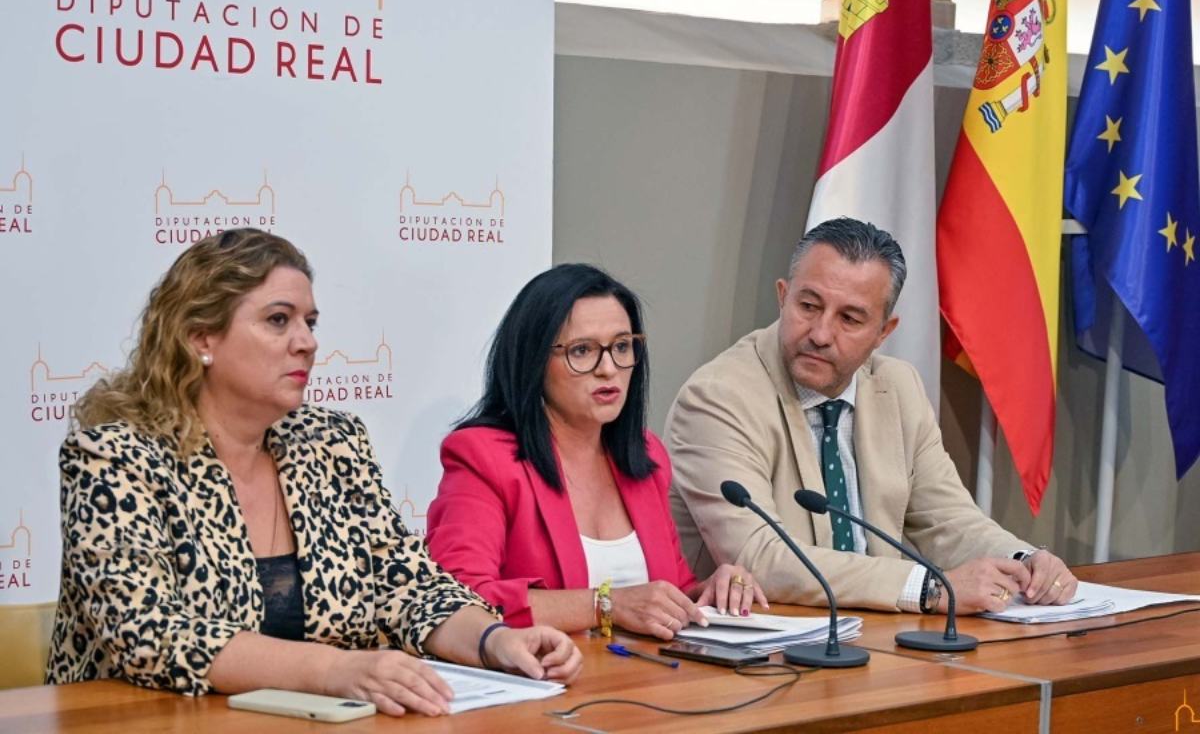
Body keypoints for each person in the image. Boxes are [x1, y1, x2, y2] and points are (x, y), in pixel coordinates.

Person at [46, 229, 581, 716]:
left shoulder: (332, 443)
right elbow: (150, 634)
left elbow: (409, 586)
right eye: (278, 320)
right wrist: (333, 670)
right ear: (200, 339)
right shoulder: (115, 455)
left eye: (310, 322)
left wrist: (493, 641)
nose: (307, 341)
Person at [667, 217, 1078, 615]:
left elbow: (947, 519)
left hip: (875, 635)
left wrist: (1023, 560)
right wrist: (929, 589)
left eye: (849, 318)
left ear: (884, 331)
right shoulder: (718, 398)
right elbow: (761, 557)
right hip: (765, 645)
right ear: (782, 296)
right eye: (808, 306)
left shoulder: (897, 388)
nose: (821, 333)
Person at [426, 264, 766, 640]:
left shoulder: (646, 456)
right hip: (547, 685)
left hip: (649, 685)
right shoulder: (483, 457)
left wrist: (708, 593)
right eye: (582, 350)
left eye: (621, 347)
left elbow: (666, 587)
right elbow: (453, 601)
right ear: (534, 361)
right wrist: (606, 605)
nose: (608, 369)